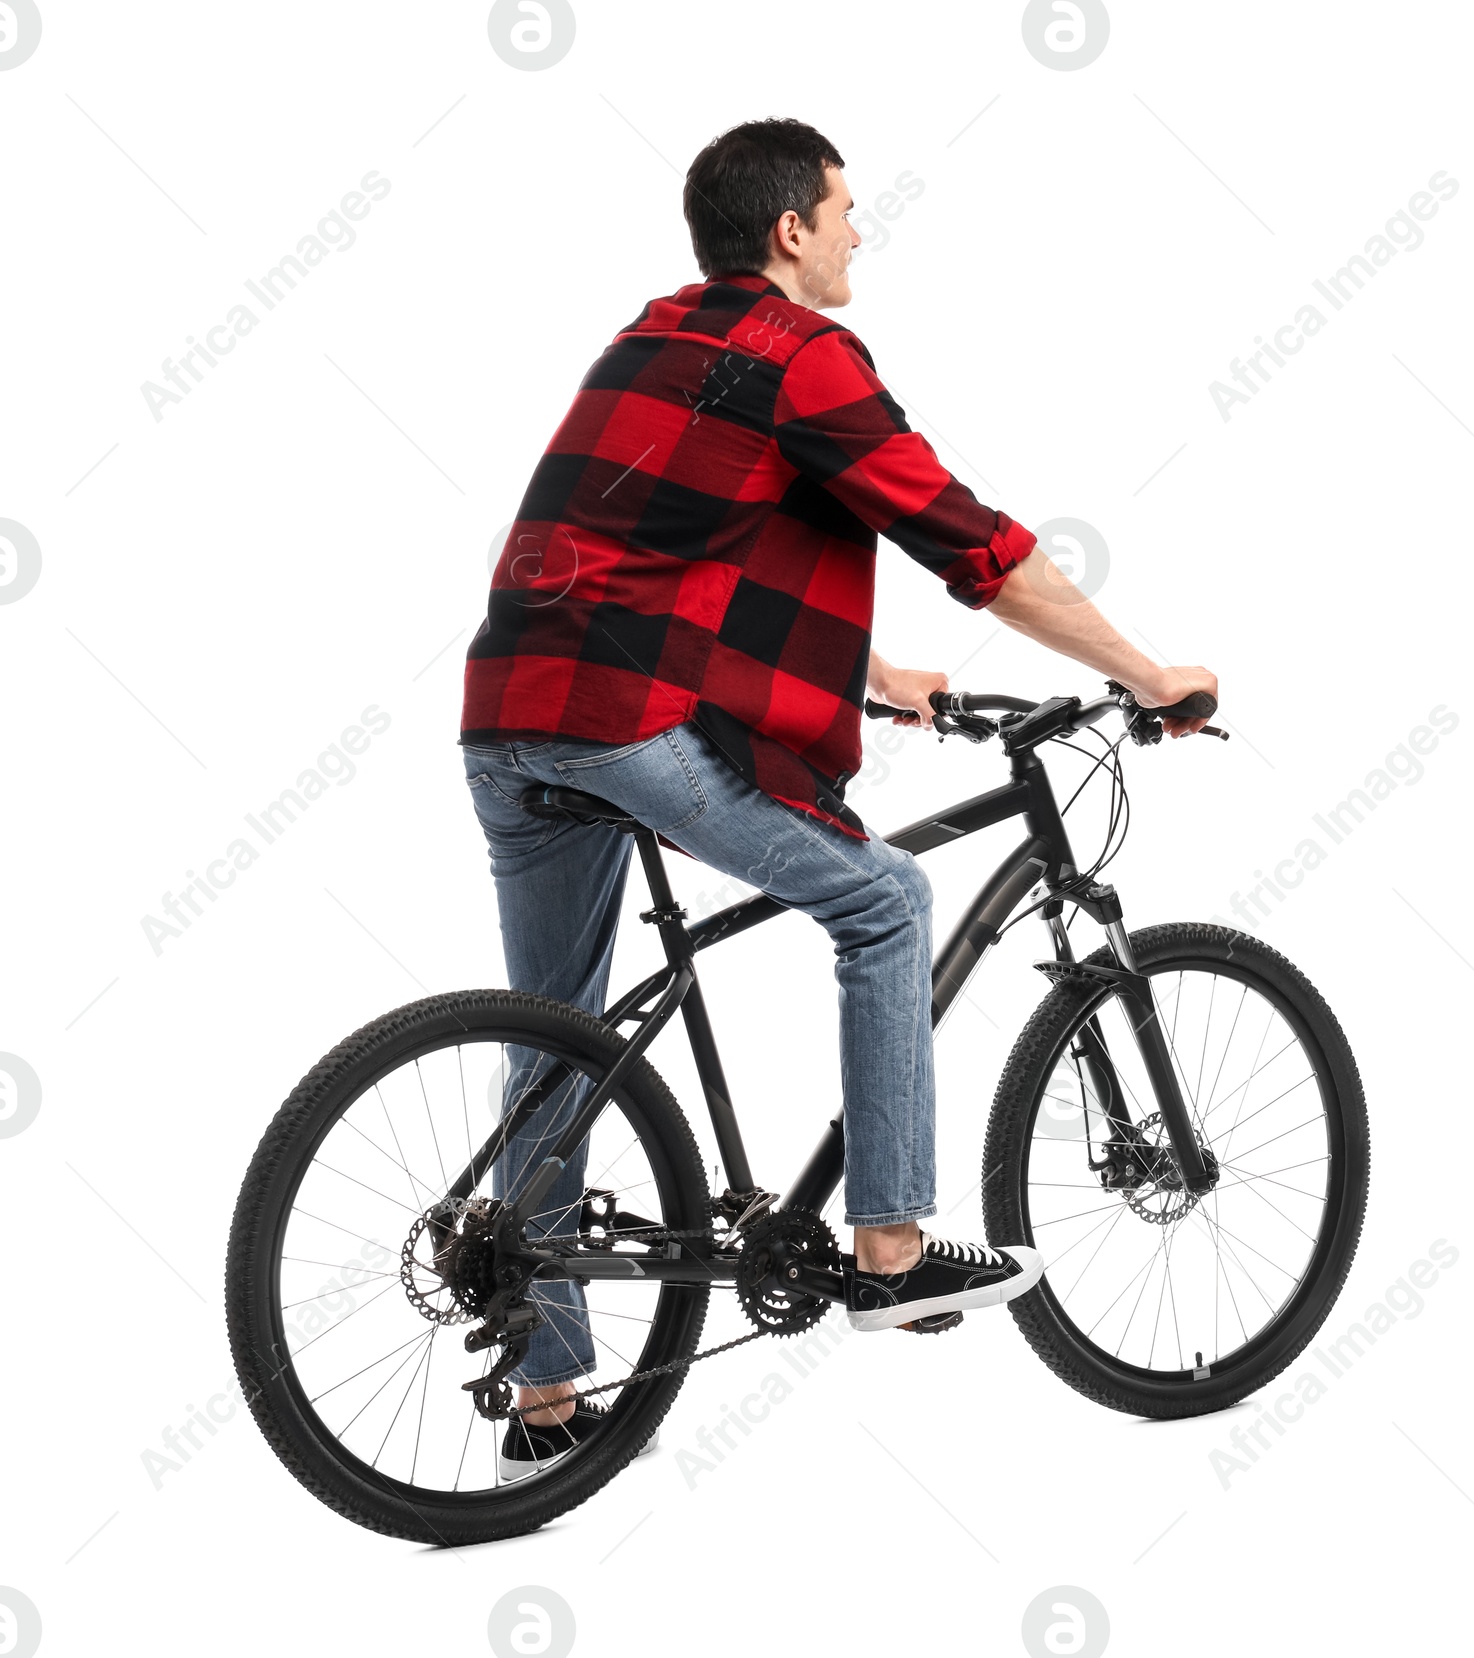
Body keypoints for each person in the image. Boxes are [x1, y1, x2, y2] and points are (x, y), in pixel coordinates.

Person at [460, 118, 1218, 1473]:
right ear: (789, 232)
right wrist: (1146, 671)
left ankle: (546, 1390)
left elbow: (660, 550)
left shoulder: (648, 339)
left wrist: (867, 676)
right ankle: (891, 1244)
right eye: (846, 210)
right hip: (629, 721)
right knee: (885, 898)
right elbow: (973, 544)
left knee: (556, 1042)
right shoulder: (802, 355)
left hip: (511, 713)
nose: (862, 231)